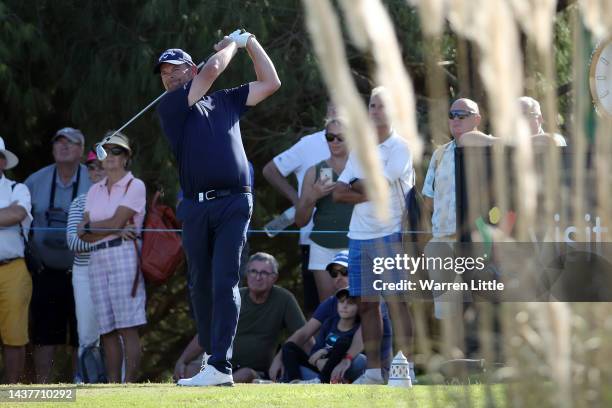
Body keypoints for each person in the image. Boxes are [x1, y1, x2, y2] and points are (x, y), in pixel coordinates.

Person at [155, 29, 280, 386]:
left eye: (176, 69)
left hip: (235, 201)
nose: (171, 76)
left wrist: (252, 43)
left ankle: (220, 366)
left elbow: (270, 82)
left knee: (225, 279)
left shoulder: (225, 100)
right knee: (200, 285)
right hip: (195, 207)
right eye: (165, 72)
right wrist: (230, 47)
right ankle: (212, 359)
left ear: (190, 69)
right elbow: (211, 70)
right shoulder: (171, 106)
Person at [333, 87, 415, 384]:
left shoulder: (401, 147)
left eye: (381, 105)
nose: (375, 111)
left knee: (397, 303)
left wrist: (358, 184)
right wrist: (363, 187)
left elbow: (371, 188)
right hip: (359, 236)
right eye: (371, 105)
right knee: (367, 305)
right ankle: (373, 372)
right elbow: (338, 194)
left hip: (391, 234)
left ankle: (404, 368)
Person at [174, 252, 305, 384]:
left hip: (254, 371)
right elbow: (207, 332)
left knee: (245, 375)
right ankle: (210, 388)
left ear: (274, 277)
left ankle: (212, 387)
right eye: (253, 271)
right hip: (220, 365)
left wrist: (283, 357)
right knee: (187, 371)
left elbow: (304, 334)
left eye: (264, 273)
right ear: (246, 274)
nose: (258, 277)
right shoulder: (234, 297)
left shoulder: (284, 299)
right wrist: (182, 360)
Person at [78, 132, 146, 383]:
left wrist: (97, 228)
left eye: (117, 151)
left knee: (127, 326)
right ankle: (113, 385)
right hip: (97, 258)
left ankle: (129, 385)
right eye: (106, 151)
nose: (110, 156)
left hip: (124, 256)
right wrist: (114, 229)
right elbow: (81, 233)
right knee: (106, 329)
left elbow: (104, 224)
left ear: (127, 157)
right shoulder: (94, 190)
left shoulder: (134, 185)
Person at [25, 127, 91, 383]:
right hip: (45, 272)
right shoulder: (34, 181)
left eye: (71, 142)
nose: (63, 146)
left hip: (84, 271)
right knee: (44, 335)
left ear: (81, 151)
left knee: (81, 335)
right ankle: (43, 388)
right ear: (52, 148)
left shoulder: (93, 181)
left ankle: (81, 383)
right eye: (59, 142)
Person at [268, 250, 394, 384]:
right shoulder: (331, 302)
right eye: (334, 274)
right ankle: (295, 383)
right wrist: (278, 358)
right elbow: (304, 333)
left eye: (345, 272)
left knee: (353, 357)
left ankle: (320, 381)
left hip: (363, 366)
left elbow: (362, 336)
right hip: (330, 364)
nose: (339, 277)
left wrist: (345, 359)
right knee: (289, 350)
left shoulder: (372, 300)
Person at [263, 102, 336, 315]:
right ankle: (323, 349)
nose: (338, 115)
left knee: (354, 307)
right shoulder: (308, 144)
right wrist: (298, 200)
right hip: (312, 238)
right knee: (320, 311)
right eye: (334, 109)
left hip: (351, 238)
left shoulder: (362, 146)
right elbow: (270, 170)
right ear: (327, 113)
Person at [295, 117, 353, 302]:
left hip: (356, 242)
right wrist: (314, 194)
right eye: (330, 137)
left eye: (340, 137)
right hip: (322, 244)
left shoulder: (361, 168)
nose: (334, 142)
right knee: (328, 304)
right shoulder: (314, 171)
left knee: (360, 303)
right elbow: (300, 220)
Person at [66, 150, 109, 383]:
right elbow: (73, 242)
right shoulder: (79, 202)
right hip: (84, 273)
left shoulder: (122, 200)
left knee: (116, 332)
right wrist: (108, 237)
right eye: (91, 167)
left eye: (99, 166)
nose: (95, 171)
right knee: (87, 334)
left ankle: (119, 383)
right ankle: (86, 381)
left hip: (114, 270)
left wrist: (90, 233)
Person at [0, 137, 32, 384]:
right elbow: (7, 214)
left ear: (2, 161)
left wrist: (8, 214)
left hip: (12, 268)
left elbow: (17, 214)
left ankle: (12, 395)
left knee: (14, 336)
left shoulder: (17, 188)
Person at [282, 288, 360, 384]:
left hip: (340, 368)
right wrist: (318, 361)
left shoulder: (358, 330)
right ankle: (294, 381)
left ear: (359, 307)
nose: (344, 306)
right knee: (289, 347)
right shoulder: (329, 322)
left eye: (350, 303)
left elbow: (354, 355)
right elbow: (312, 356)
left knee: (343, 342)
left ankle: (321, 380)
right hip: (317, 365)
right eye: (341, 302)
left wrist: (325, 351)